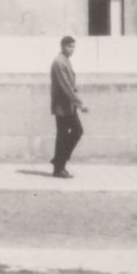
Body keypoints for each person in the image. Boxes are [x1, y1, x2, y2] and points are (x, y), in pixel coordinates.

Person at [49, 35, 87, 178]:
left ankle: (58, 164)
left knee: (67, 134)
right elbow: (65, 86)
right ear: (62, 46)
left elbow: (69, 84)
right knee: (71, 133)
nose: (72, 50)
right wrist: (80, 103)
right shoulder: (59, 62)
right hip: (63, 106)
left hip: (68, 106)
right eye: (70, 47)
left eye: (73, 47)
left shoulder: (65, 61)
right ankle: (59, 166)